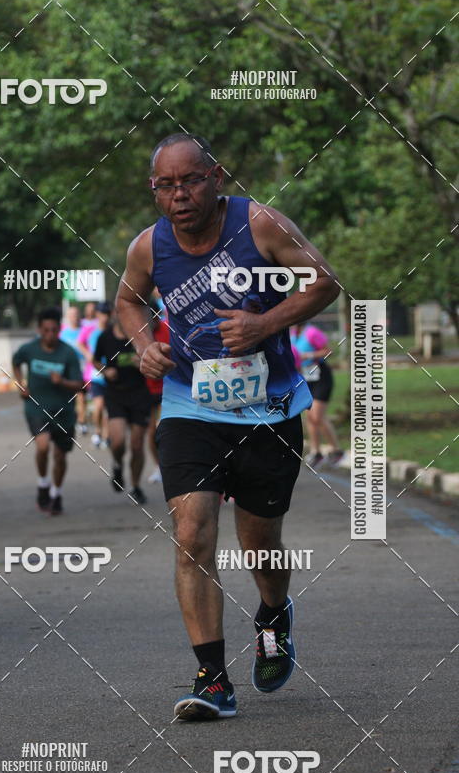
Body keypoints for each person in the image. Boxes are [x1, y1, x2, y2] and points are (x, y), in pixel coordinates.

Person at [116, 132, 339, 720]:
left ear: (217, 177)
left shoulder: (260, 224)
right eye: (166, 185)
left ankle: (273, 614)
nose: (179, 194)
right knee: (191, 532)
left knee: (259, 541)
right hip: (190, 408)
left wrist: (264, 324)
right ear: (154, 190)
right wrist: (144, 345)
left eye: (190, 180)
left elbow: (324, 280)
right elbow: (128, 303)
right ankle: (212, 679)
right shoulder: (148, 247)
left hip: (269, 408)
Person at [12, 308, 83, 515]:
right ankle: (43, 483)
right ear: (40, 330)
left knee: (60, 456)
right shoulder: (29, 349)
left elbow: (80, 384)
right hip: (36, 408)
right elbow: (16, 361)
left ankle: (56, 493)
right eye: (46, 330)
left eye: (54, 330)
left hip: (64, 412)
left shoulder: (68, 353)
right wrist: (20, 384)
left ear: (59, 330)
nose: (50, 335)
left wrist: (63, 382)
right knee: (42, 446)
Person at [93, 310, 152, 505]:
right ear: (114, 315)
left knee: (137, 445)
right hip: (116, 394)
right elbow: (95, 359)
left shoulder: (139, 336)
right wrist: (105, 370)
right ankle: (117, 464)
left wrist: (142, 361)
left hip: (139, 394)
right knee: (117, 442)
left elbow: (152, 357)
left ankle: (136, 486)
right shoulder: (105, 337)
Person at [291, 323, 343, 468]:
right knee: (309, 417)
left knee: (317, 416)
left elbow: (328, 351)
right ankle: (316, 452)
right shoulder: (292, 334)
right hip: (305, 376)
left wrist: (308, 355)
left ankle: (336, 450)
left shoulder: (312, 332)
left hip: (320, 376)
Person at [79, 301, 111, 448]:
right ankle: (98, 431)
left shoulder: (112, 330)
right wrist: (88, 355)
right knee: (99, 406)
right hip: (96, 374)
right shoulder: (90, 329)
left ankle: (106, 435)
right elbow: (79, 343)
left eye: (107, 314)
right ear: (97, 314)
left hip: (110, 374)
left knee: (107, 407)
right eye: (102, 314)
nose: (104, 317)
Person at [145, 303, 170, 483]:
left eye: (154, 316)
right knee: (151, 432)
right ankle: (158, 466)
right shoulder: (139, 333)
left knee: (163, 429)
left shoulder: (167, 330)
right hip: (145, 390)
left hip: (166, 388)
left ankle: (169, 465)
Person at [60, 305, 88, 435]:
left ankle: (82, 422)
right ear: (67, 317)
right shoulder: (62, 333)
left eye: (76, 315)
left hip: (82, 366)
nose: (74, 318)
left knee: (81, 395)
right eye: (71, 315)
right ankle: (69, 420)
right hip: (67, 368)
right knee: (67, 396)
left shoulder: (85, 330)